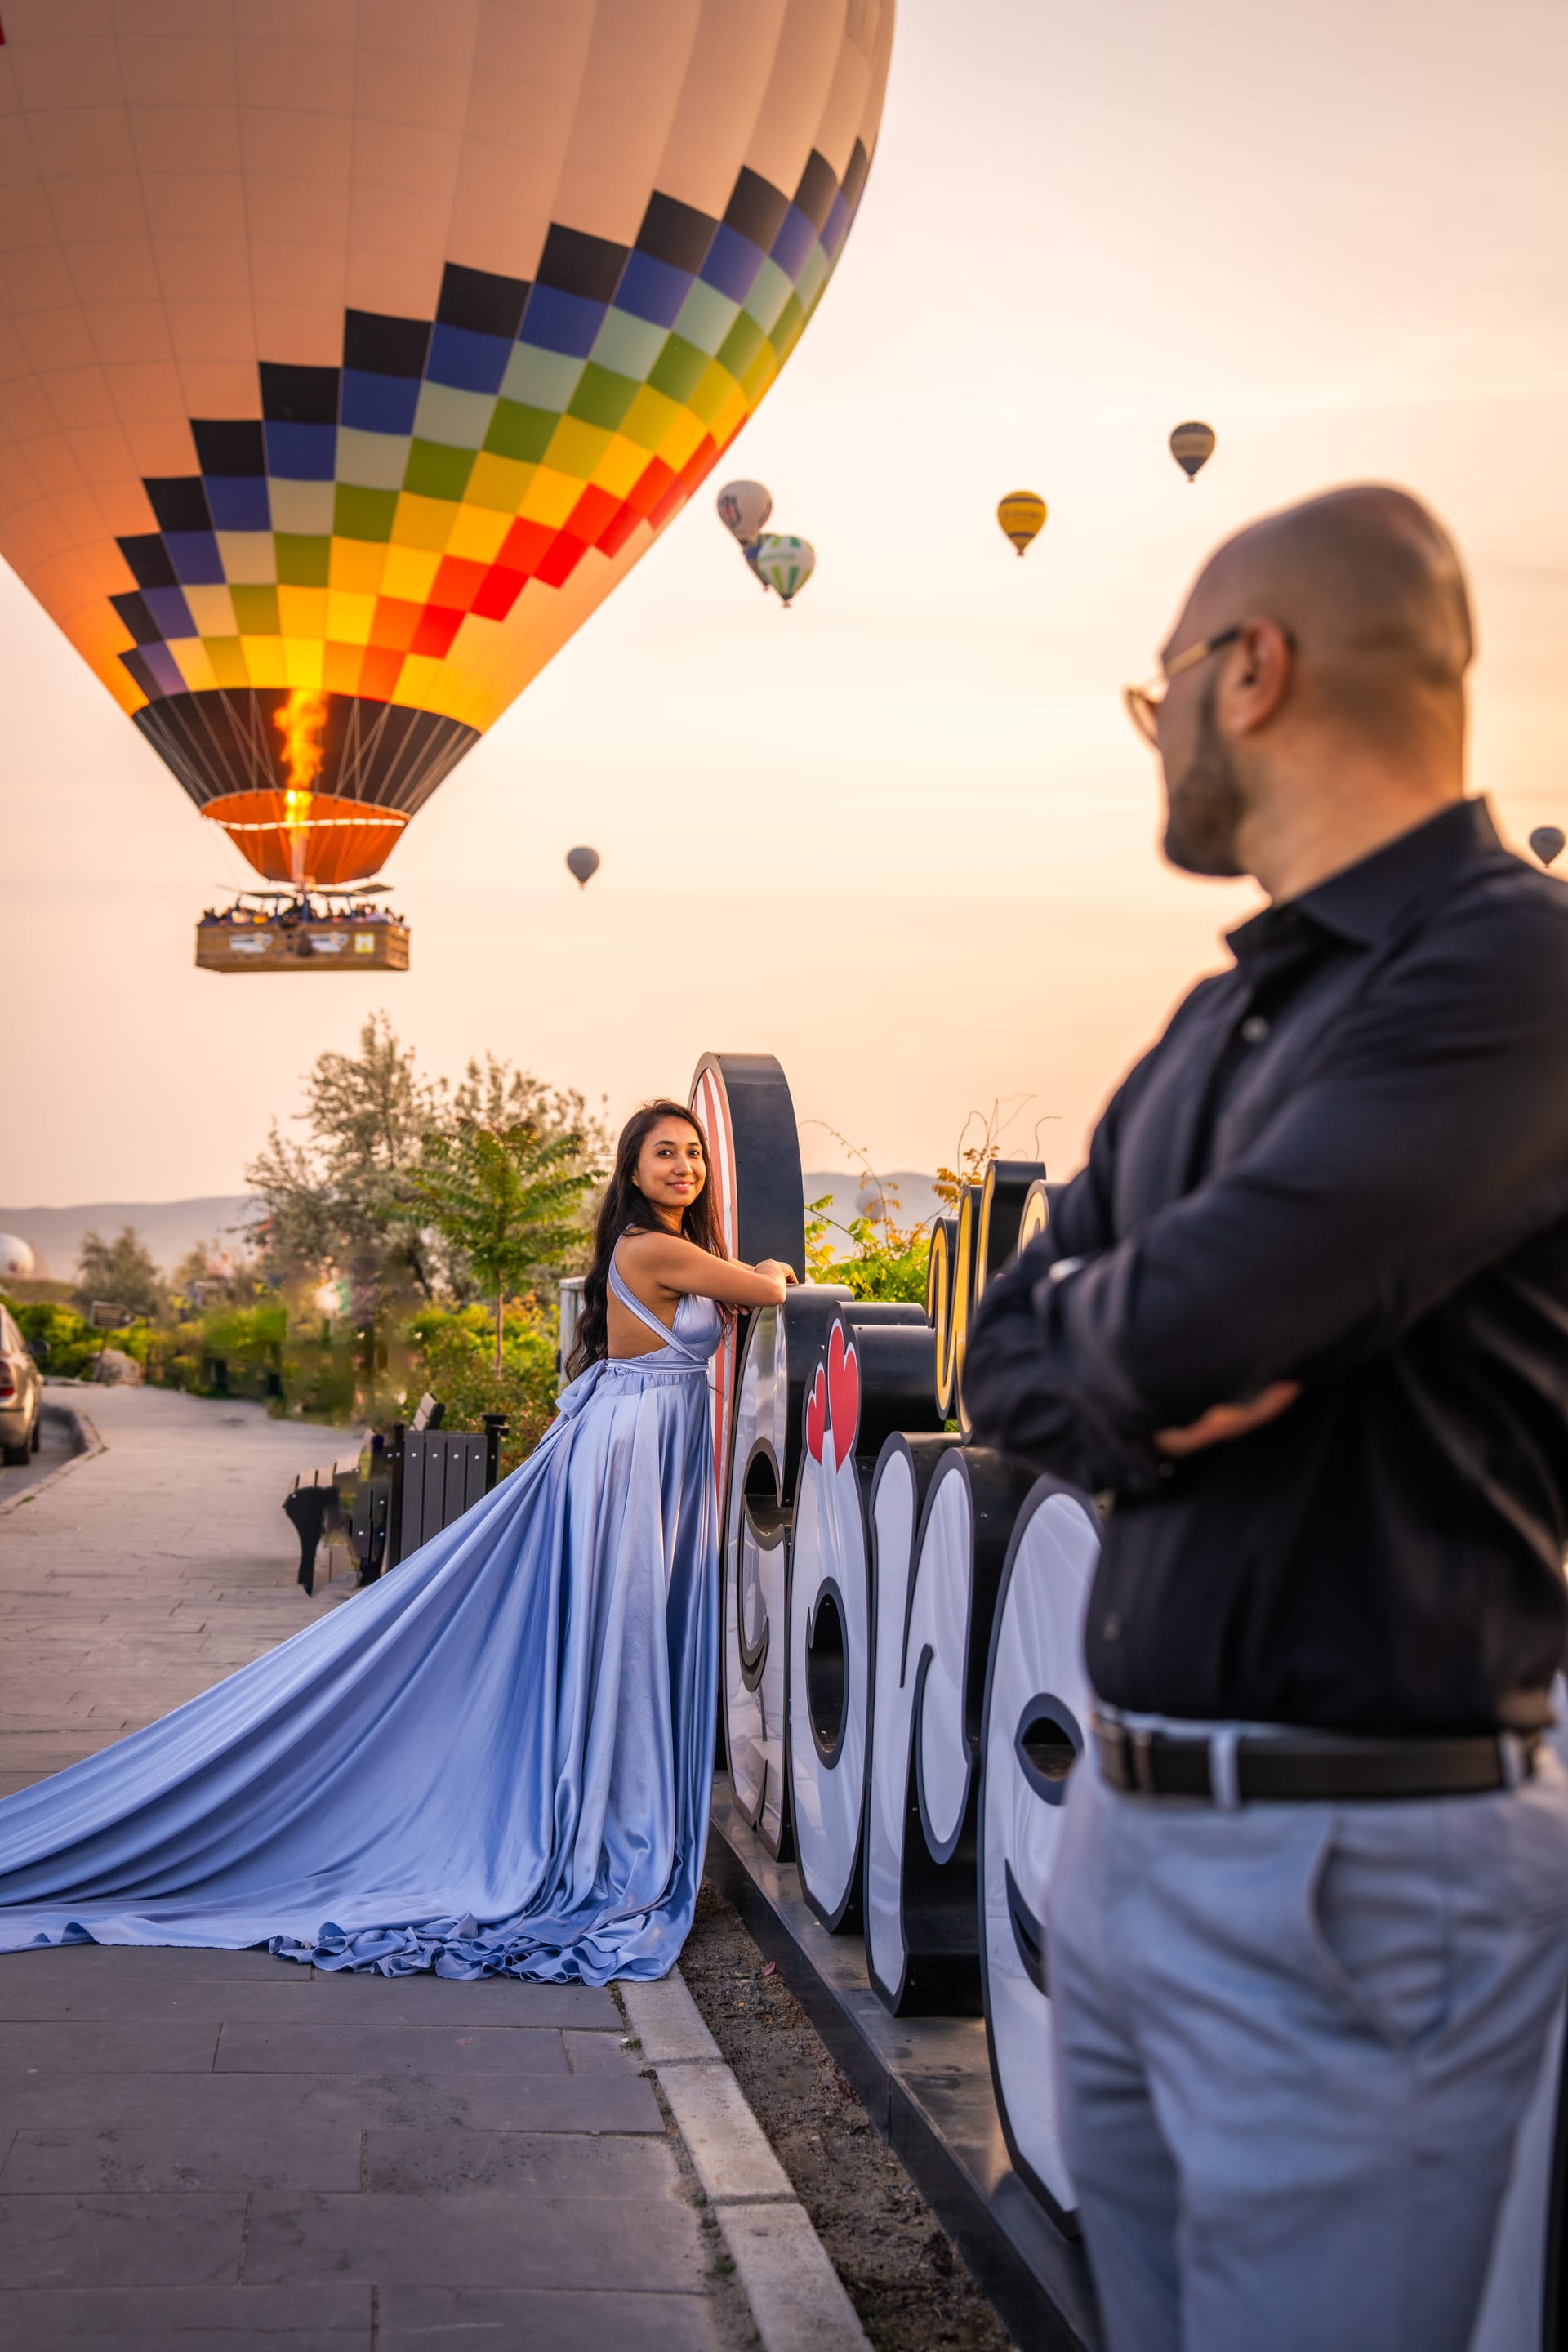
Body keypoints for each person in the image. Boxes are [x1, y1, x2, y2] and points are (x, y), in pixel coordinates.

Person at [964, 485, 1568, 2352]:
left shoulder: (1515, 972)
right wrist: (1148, 1364)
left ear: (1254, 670)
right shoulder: (1218, 1017)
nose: (1153, 734)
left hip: (1356, 1874)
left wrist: (1137, 1350)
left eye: (1157, 694)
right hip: (1125, 1836)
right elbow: (1005, 1356)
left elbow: (1172, 1329)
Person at [0, 1101, 795, 1983]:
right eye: (665, 1153)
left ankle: (612, 1810)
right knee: (628, 1637)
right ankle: (612, 1831)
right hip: (634, 1454)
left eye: (694, 1153)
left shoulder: (666, 1247)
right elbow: (764, 1291)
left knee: (625, 1635)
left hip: (644, 1445)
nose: (685, 1166)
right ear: (634, 1171)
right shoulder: (650, 1247)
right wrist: (769, 1266)